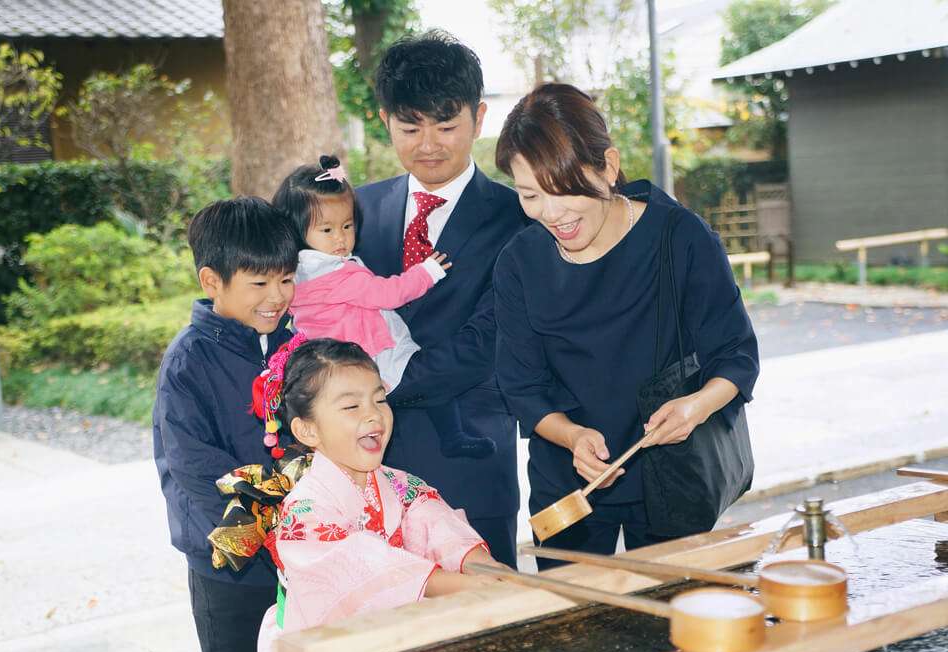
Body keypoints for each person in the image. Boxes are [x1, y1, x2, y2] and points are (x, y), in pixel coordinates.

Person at [493, 83, 760, 567]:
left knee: (675, 619)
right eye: (530, 195)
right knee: (570, 626)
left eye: (564, 189)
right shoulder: (519, 262)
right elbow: (521, 386)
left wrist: (696, 407)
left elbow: (737, 356)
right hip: (567, 478)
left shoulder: (681, 239)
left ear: (608, 167)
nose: (551, 214)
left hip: (673, 473)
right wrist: (572, 436)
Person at [354, 30, 530, 567]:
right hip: (362, 471)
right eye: (410, 127)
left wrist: (374, 389)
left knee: (482, 632)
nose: (428, 145)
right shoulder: (355, 212)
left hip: (467, 466)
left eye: (447, 126)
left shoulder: (518, 218)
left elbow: (489, 342)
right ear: (386, 121)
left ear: (479, 119)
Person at [254, 338, 502, 652]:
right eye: (351, 406)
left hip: (391, 640)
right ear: (307, 431)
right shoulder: (304, 511)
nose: (374, 416)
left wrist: (483, 567)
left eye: (380, 400)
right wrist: (461, 586)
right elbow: (364, 568)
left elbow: (437, 525)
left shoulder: (399, 484)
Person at [153, 197, 300, 652]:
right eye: (259, 283)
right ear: (212, 281)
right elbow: (195, 468)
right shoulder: (189, 360)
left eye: (285, 278)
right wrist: (269, 524)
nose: (276, 296)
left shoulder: (297, 344)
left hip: (301, 546)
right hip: (229, 557)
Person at [273, 154, 496, 460]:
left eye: (347, 226)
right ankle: (453, 436)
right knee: (428, 382)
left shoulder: (299, 270)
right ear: (299, 231)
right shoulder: (334, 272)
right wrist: (426, 273)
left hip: (333, 359)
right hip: (369, 350)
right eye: (327, 230)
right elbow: (387, 294)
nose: (340, 238)